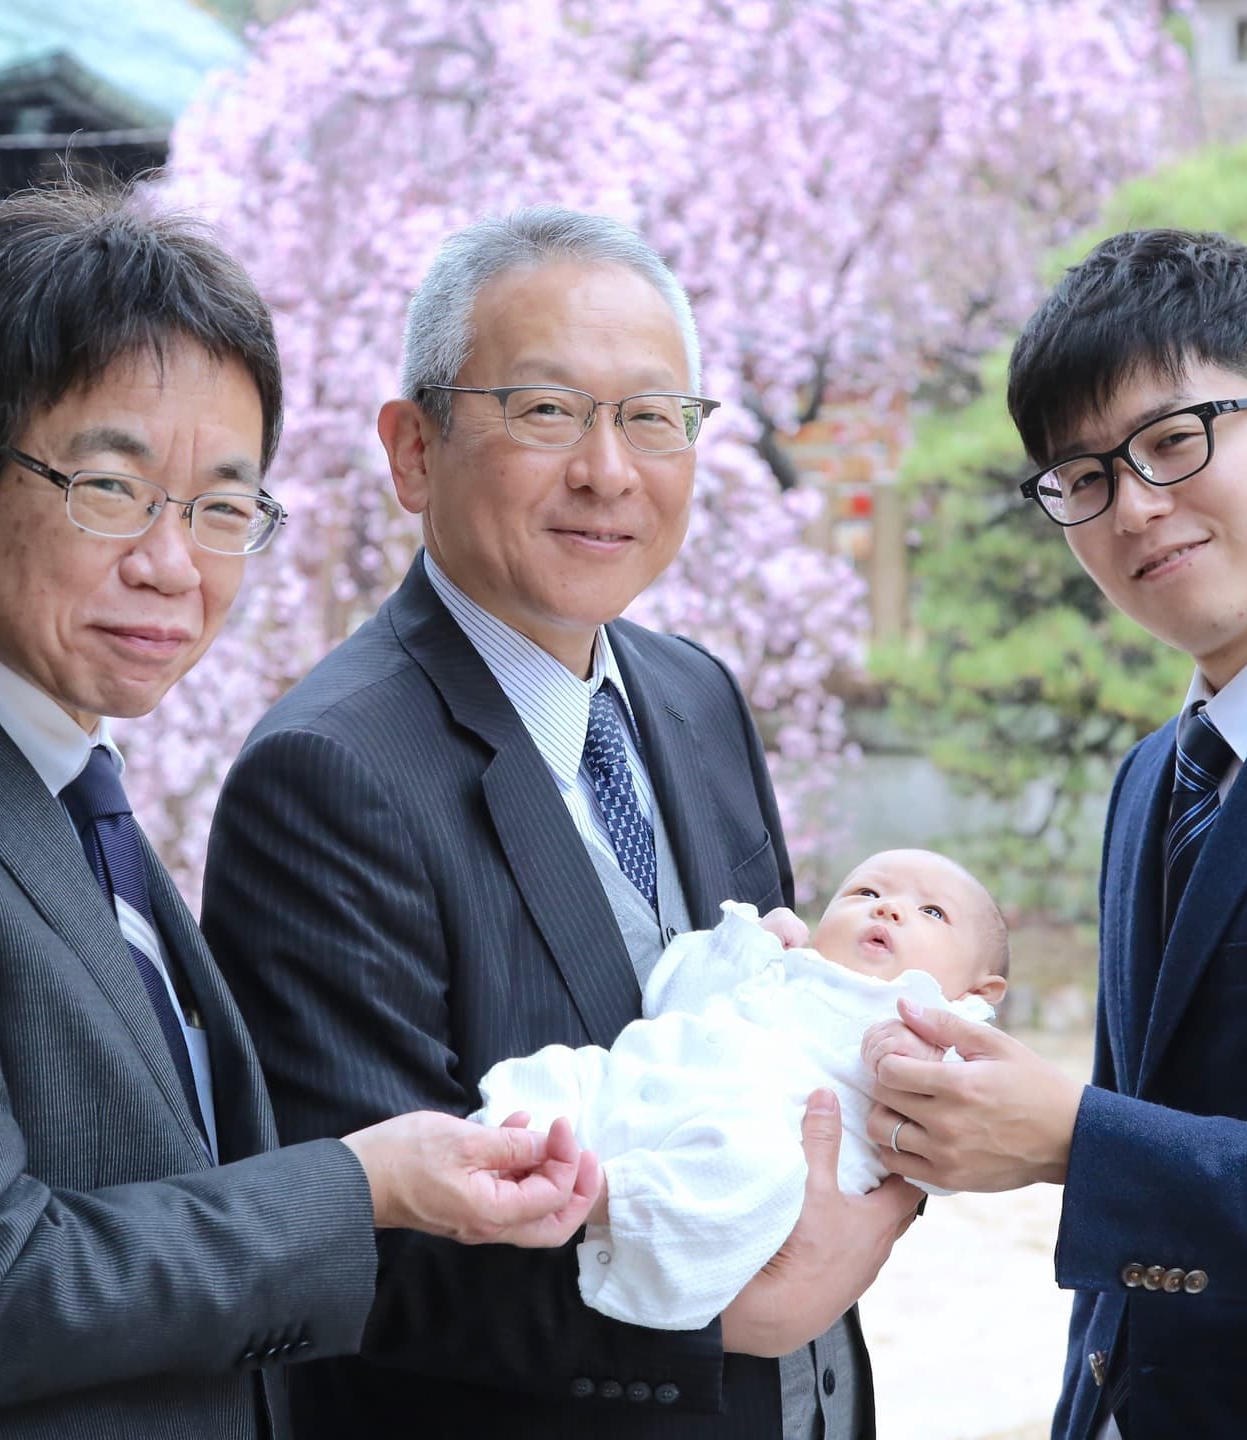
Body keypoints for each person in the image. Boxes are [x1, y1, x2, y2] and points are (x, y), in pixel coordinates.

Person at [0, 185, 600, 1440]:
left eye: (223, 509)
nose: (174, 565)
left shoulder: (65, 778)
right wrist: (355, 1187)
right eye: (109, 491)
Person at [203, 205, 922, 1439]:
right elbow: (372, 1253)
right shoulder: (329, 777)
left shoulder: (693, 692)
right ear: (413, 448)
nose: (608, 469)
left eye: (653, 416)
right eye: (545, 411)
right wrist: (725, 1319)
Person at [863, 229, 1247, 1439]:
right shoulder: (1149, 781)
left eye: (1176, 442)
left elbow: (1118, 1140)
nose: (1136, 507)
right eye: (1083, 477)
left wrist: (1080, 1141)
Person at [473, 848, 1009, 1331]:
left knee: (751, 1163)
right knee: (582, 1069)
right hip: (660, 1086)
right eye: (867, 892)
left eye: (932, 913)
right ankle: (500, 1141)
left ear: (981, 990)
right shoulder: (785, 967)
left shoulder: (946, 1029)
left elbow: (955, 1159)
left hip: (756, 1164)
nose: (888, 909)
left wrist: (930, 1067)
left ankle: (599, 1192)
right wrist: (741, 947)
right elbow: (672, 1000)